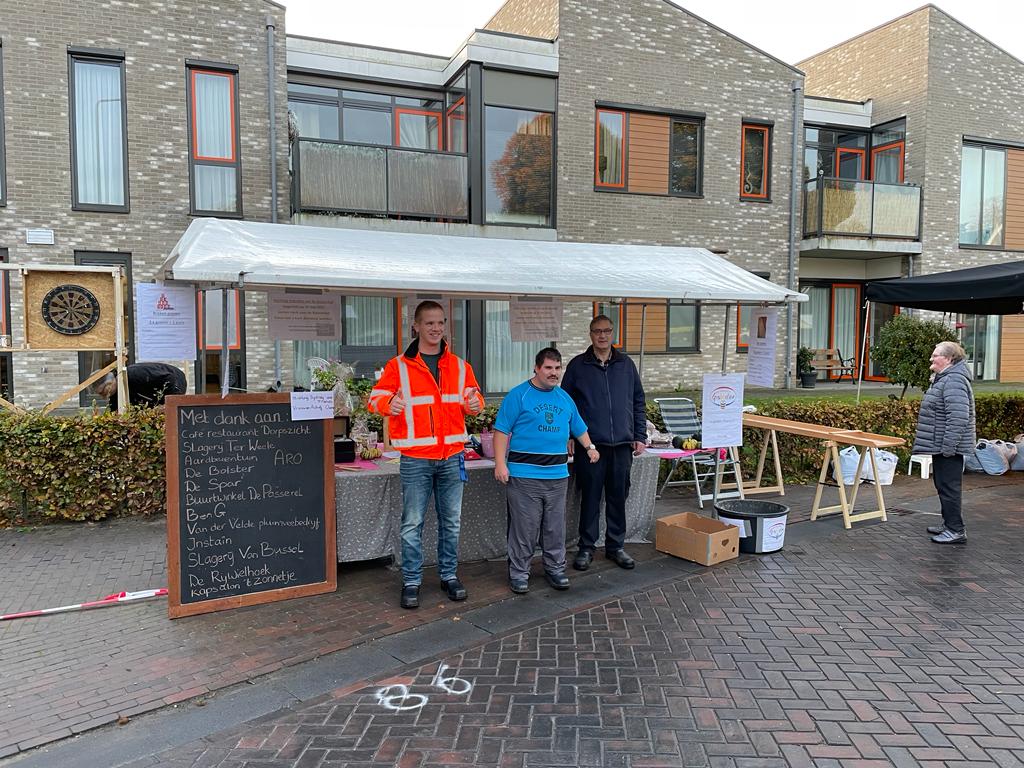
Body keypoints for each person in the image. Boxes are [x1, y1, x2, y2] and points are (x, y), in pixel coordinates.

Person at [368, 301, 484, 609]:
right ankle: (411, 581)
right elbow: (375, 398)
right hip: (416, 458)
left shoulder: (460, 366)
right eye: (429, 323)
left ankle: (449, 576)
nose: (436, 328)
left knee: (451, 522)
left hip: (452, 456)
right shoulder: (398, 366)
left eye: (440, 323)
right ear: (416, 326)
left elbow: (473, 398)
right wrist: (388, 404)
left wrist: (475, 404)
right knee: (412, 523)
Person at [493, 348, 600, 594]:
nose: (554, 373)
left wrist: (590, 447)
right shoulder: (519, 395)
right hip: (524, 476)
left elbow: (579, 427)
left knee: (554, 528)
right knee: (525, 528)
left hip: (557, 476)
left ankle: (555, 568)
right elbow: (501, 431)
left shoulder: (564, 398)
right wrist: (500, 463)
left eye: (557, 368)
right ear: (536, 368)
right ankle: (519, 572)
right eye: (548, 368)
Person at [561, 314, 647, 571]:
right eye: (597, 331)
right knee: (590, 498)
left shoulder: (626, 364)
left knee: (617, 498)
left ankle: (615, 546)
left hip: (622, 445)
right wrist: (569, 435)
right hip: (590, 446)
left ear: (613, 334)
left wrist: (639, 435)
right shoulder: (578, 366)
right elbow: (565, 405)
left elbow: (638, 401)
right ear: (590, 334)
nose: (602, 335)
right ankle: (586, 548)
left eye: (607, 331)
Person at [912, 340, 976, 545]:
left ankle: (956, 530)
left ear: (948, 359)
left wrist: (948, 448)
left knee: (949, 488)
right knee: (943, 486)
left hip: (948, 448)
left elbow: (958, 418)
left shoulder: (954, 380)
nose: (931, 358)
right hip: (942, 446)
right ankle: (949, 524)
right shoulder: (945, 378)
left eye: (935, 355)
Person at [93, 362, 187, 410]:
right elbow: (115, 412)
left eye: (103, 392)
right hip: (154, 393)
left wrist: (171, 403)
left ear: (110, 382)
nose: (103, 396)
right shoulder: (115, 394)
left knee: (170, 412)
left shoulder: (134, 374)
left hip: (174, 378)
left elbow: (169, 378)